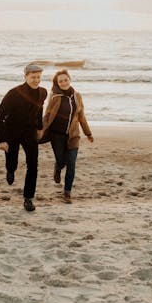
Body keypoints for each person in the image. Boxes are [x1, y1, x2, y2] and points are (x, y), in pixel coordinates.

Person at [0, 63, 47, 212]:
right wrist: (1, 140)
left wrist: (40, 127)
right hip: (12, 131)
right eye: (33, 77)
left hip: (30, 132)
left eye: (39, 77)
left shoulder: (43, 92)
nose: (36, 80)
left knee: (33, 165)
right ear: (26, 76)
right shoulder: (14, 93)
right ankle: (10, 170)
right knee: (12, 161)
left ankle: (28, 198)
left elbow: (39, 110)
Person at [41, 69, 93, 204]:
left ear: (70, 79)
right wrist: (40, 130)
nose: (63, 82)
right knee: (61, 161)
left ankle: (67, 193)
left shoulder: (77, 96)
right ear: (57, 83)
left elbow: (81, 116)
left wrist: (88, 133)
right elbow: (47, 115)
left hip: (73, 136)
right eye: (60, 81)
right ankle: (57, 168)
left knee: (71, 164)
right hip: (56, 135)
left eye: (65, 80)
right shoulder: (55, 97)